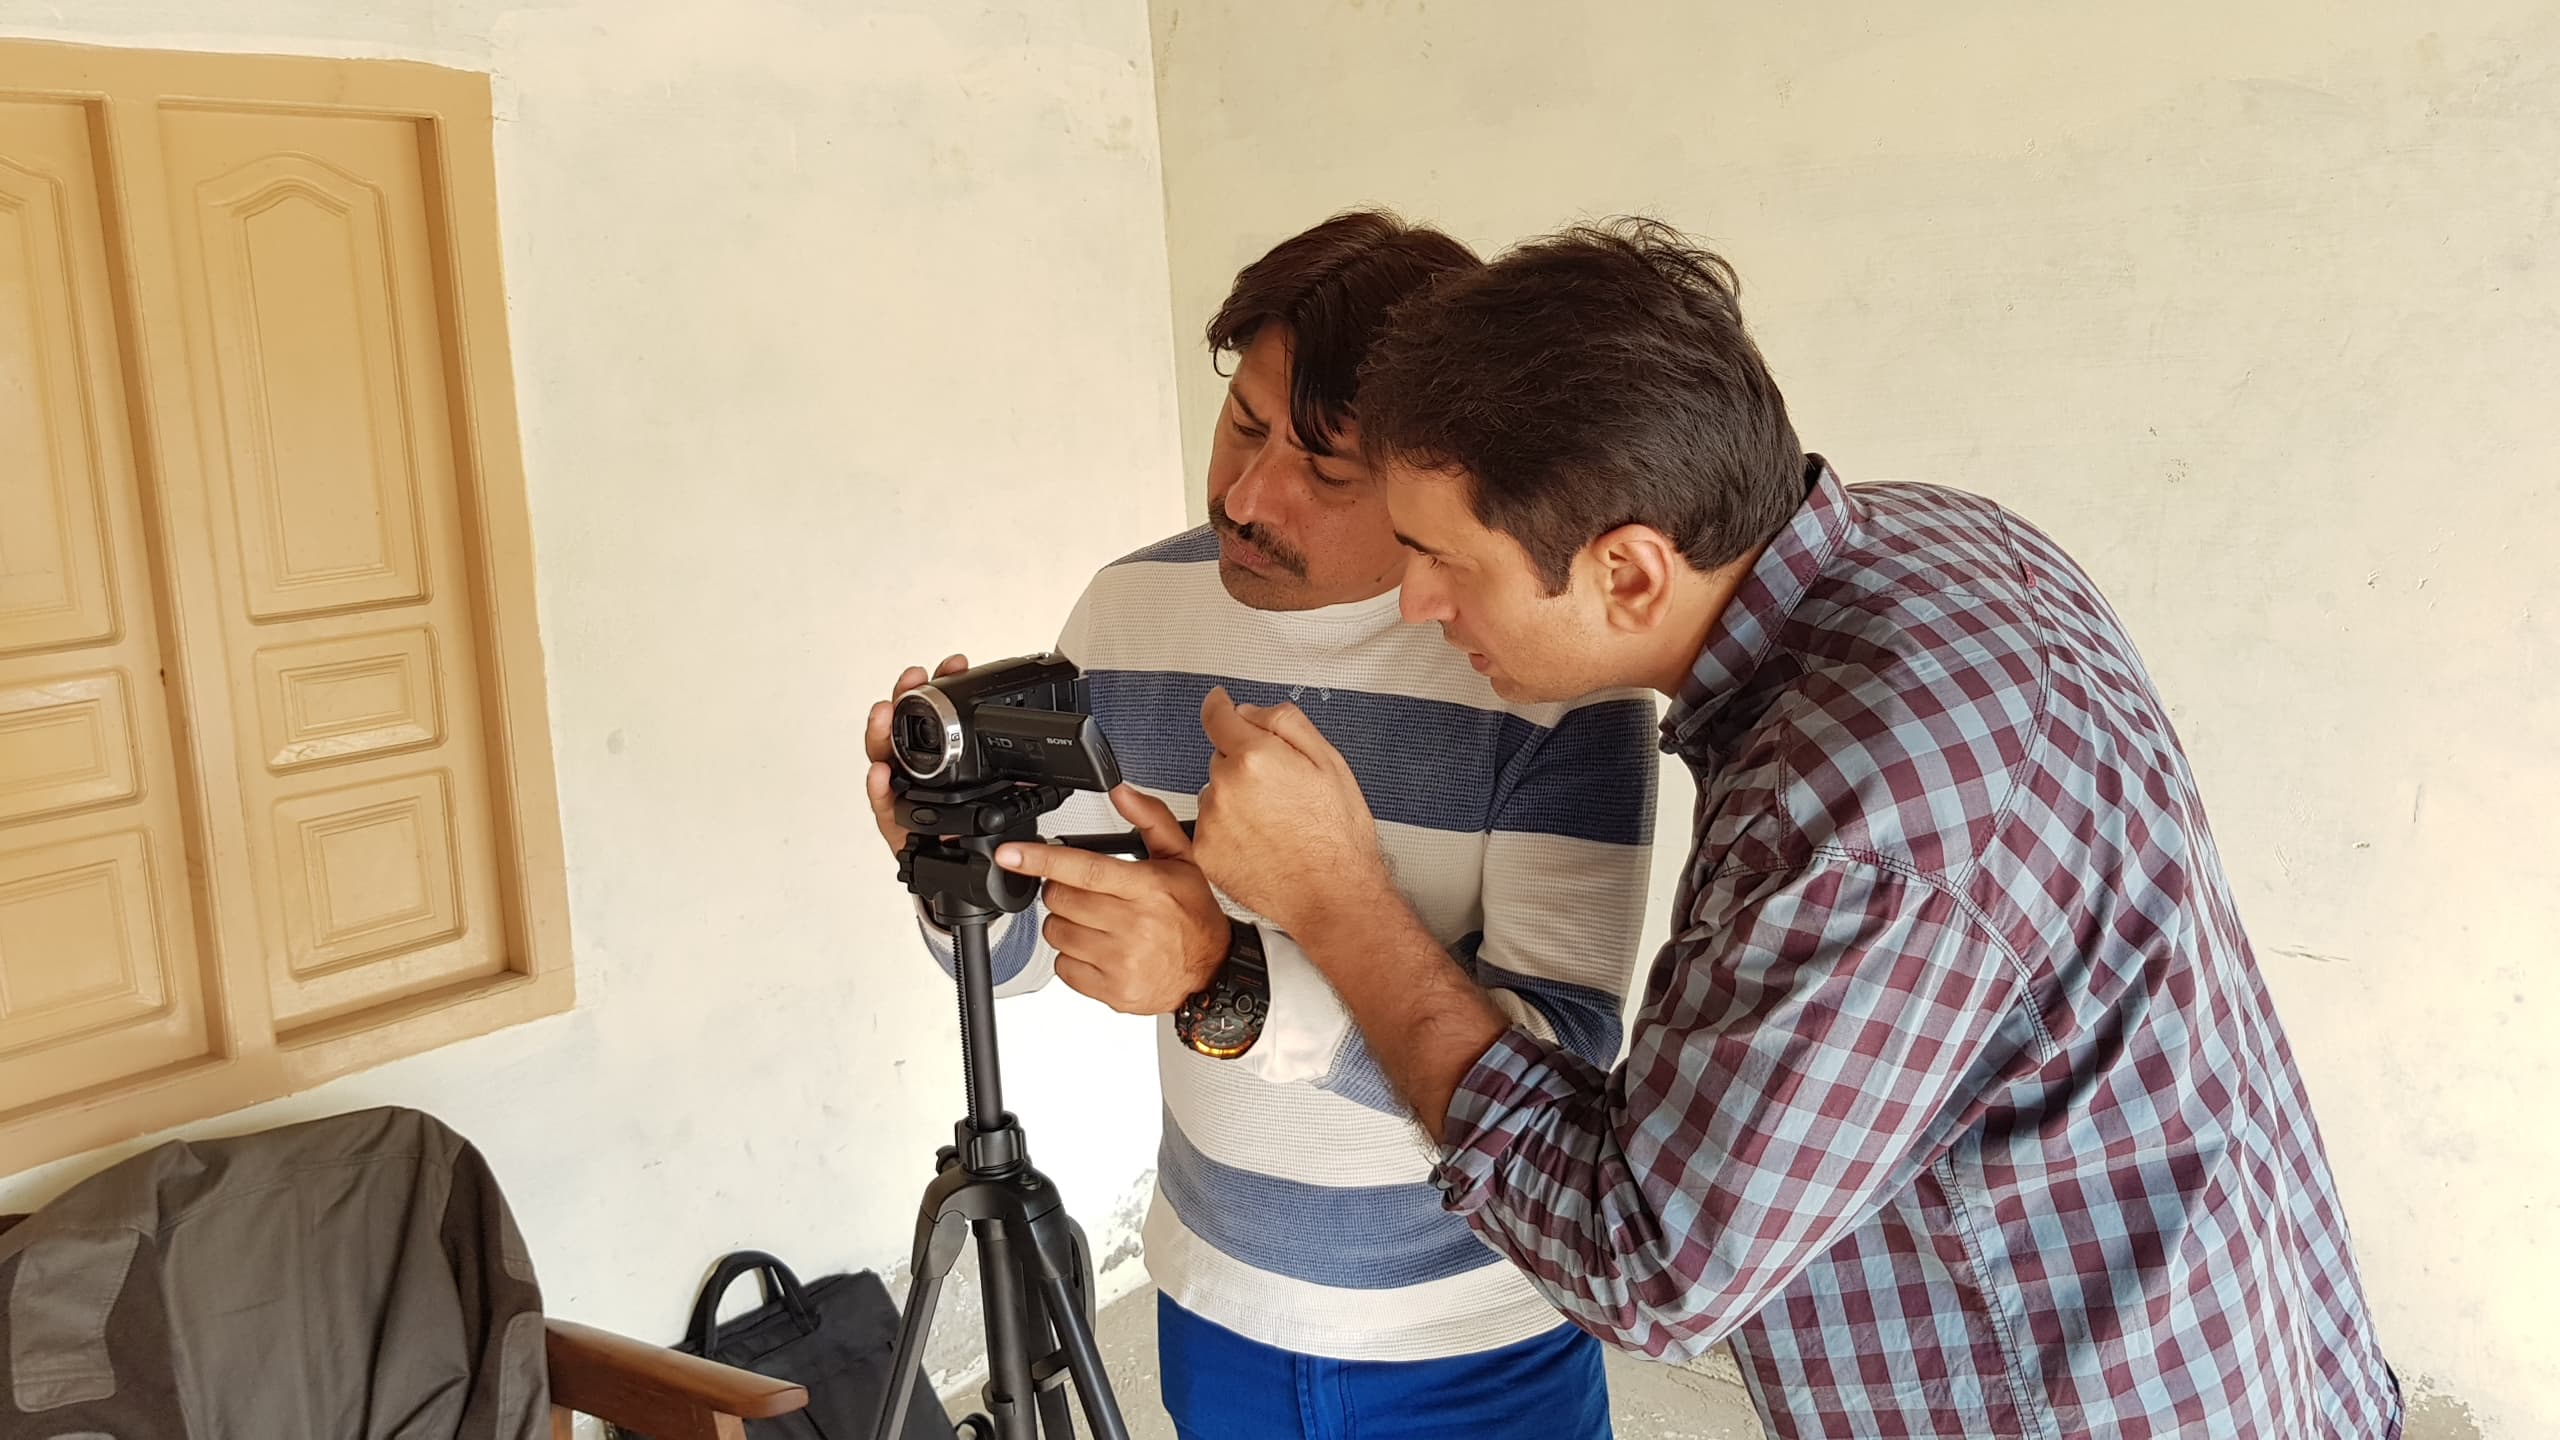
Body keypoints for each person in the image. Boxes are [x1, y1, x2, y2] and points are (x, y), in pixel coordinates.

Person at [1181, 219, 2404, 1439]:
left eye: (1443, 558)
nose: (1415, 599)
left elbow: (1648, 1267)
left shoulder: (1855, 825)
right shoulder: (1937, 536)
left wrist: (1337, 901)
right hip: (2251, 1330)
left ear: (1630, 575)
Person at [869, 212, 1660, 1440]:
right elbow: (1029, 953)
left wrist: (1224, 973)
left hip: (1468, 1327)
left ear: (1432, 475)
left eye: (1324, 471)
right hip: (1212, 1294)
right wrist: (949, 862)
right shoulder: (1131, 608)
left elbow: (1564, 1066)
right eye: (1242, 423)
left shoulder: (1543, 670)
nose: (1245, 495)